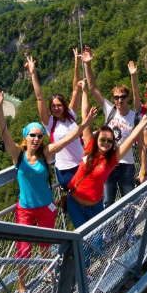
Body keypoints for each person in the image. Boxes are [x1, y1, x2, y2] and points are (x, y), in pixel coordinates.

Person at [0, 84, 96, 293]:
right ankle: (21, 284)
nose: (36, 139)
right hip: (26, 209)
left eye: (39, 135)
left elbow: (69, 138)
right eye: (32, 135)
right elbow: (3, 131)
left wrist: (85, 125)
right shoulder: (18, 154)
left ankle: (47, 270)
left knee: (46, 245)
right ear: (26, 137)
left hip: (46, 206)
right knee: (24, 250)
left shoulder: (46, 153)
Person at [65, 91, 147, 228]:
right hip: (75, 203)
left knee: (94, 240)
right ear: (96, 139)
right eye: (102, 139)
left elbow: (130, 139)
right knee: (81, 238)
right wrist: (84, 91)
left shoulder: (112, 160)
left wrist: (145, 119)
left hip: (94, 205)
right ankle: (109, 232)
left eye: (109, 141)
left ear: (113, 144)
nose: (105, 143)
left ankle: (122, 231)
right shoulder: (88, 147)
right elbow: (84, 115)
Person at [83, 49, 141, 205]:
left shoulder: (134, 115)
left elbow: (137, 98)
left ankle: (130, 228)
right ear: (113, 99)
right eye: (116, 97)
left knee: (130, 200)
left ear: (126, 97)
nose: (119, 100)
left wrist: (133, 77)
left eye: (122, 97)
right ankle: (113, 229)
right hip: (107, 162)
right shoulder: (110, 110)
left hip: (127, 164)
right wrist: (88, 65)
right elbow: (93, 88)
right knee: (108, 201)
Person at [25, 50, 84, 189]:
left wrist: (76, 63)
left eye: (59, 105)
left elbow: (76, 89)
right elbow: (39, 98)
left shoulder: (71, 115)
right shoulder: (50, 123)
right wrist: (33, 74)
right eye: (53, 106)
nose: (56, 108)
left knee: (85, 199)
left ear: (64, 105)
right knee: (76, 198)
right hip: (66, 169)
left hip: (81, 164)